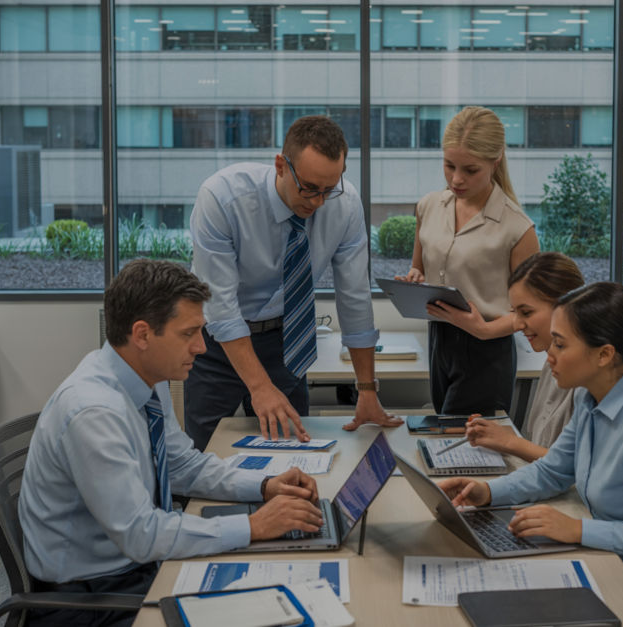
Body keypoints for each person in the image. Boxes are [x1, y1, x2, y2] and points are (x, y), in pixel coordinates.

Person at [19, 260, 326, 627]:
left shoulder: (145, 379)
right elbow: (140, 534)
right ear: (143, 334)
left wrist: (263, 486)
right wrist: (254, 527)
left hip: (134, 569)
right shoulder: (93, 412)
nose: (201, 346)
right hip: (89, 601)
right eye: (189, 333)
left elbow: (181, 465)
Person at [438, 282, 623, 627]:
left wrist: (578, 530)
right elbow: (553, 472)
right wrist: (488, 493)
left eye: (560, 344)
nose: (549, 355)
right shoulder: (589, 399)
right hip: (619, 562)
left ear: (604, 355)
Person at [188, 115, 401, 450]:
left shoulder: (344, 206)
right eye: (309, 188)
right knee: (205, 453)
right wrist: (259, 387)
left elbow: (355, 299)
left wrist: (367, 390)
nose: (317, 202)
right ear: (281, 166)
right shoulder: (223, 198)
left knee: (292, 455)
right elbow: (221, 307)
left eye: (328, 190)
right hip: (217, 346)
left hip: (285, 341)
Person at [396, 106, 540, 415]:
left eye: (470, 170)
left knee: (468, 451)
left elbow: (534, 312)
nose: (456, 179)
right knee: (446, 442)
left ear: (495, 160)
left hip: (487, 348)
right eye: (449, 166)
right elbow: (419, 268)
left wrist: (484, 331)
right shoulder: (428, 206)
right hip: (438, 340)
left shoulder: (518, 228)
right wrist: (413, 279)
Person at [463, 252, 584, 462]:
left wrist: (512, 443)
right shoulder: (550, 363)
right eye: (515, 313)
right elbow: (544, 448)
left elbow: (576, 469)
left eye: (526, 313)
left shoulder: (591, 379)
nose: (517, 325)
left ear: (566, 306)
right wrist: (504, 438)